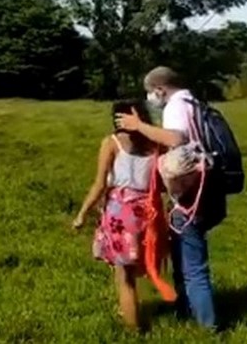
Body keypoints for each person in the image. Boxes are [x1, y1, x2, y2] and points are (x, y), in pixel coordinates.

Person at [115, 66, 221, 331]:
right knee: (184, 258)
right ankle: (187, 313)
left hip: (191, 195)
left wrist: (138, 126)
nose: (152, 98)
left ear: (160, 89)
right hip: (206, 187)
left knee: (194, 267)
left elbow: (176, 138)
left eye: (151, 92)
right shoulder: (194, 102)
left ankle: (207, 327)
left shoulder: (175, 105)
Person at [74, 99, 175, 330]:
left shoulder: (111, 143)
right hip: (148, 212)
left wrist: (82, 214)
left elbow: (99, 184)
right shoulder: (156, 145)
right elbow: (160, 184)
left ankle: (132, 328)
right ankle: (133, 310)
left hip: (120, 213)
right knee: (138, 267)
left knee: (125, 277)